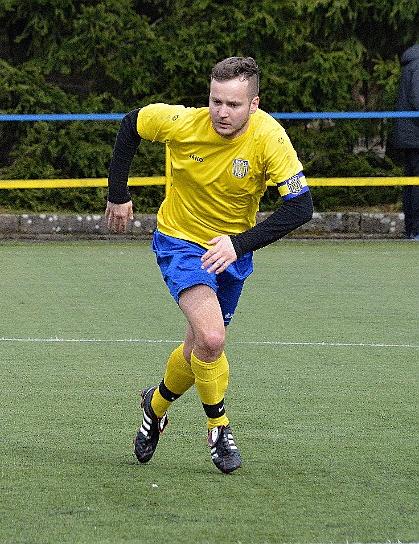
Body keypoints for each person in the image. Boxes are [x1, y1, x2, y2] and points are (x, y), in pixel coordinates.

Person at [104, 57, 313, 474]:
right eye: (216, 101)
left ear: (254, 104)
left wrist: (239, 243)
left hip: (231, 251)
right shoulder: (183, 123)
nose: (221, 112)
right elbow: (131, 124)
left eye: (233, 105)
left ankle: (155, 405)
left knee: (198, 348)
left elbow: (300, 207)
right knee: (214, 338)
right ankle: (219, 428)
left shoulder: (270, 137)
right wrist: (118, 193)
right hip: (180, 242)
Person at [391, 44, 419, 239]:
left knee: (411, 182)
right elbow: (417, 99)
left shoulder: (412, 63)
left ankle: (412, 228)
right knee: (415, 183)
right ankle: (415, 229)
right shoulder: (418, 66)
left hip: (409, 133)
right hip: (416, 134)